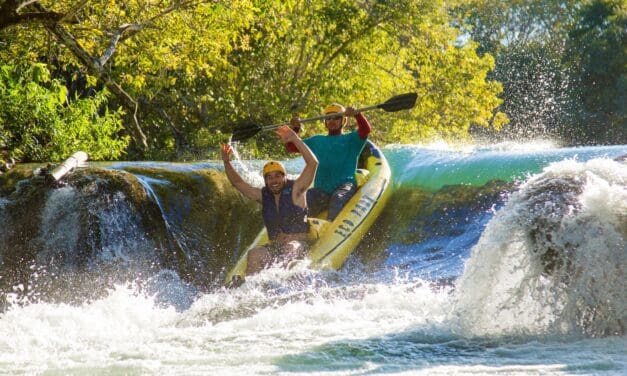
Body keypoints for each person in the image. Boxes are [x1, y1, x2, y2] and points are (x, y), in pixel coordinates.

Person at [221, 125, 318, 277]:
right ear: (265, 181)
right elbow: (238, 183)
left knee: (290, 248)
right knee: (253, 254)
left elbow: (313, 164)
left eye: (278, 176)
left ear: (284, 177)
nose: (274, 180)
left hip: (300, 244)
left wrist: (295, 139)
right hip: (277, 247)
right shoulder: (262, 196)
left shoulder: (297, 189)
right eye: (269, 177)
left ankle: (282, 283)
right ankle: (250, 289)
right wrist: (227, 162)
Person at [287, 103, 372, 220]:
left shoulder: (352, 139)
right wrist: (295, 128)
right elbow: (291, 148)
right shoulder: (316, 141)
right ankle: (296, 229)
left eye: (337, 117)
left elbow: (365, 130)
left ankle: (331, 226)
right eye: (328, 118)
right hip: (322, 190)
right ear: (325, 122)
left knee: (337, 198)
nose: (332, 120)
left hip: (344, 185)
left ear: (343, 121)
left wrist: (357, 114)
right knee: (299, 201)